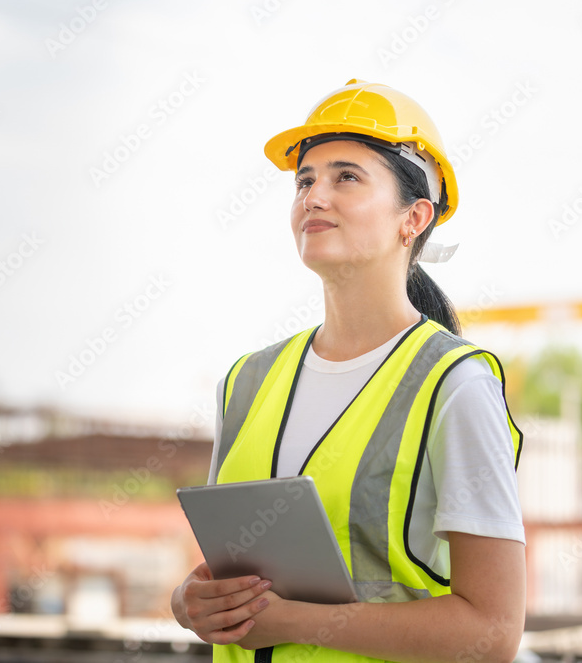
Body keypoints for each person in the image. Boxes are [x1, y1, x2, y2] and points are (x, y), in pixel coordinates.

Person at [170, 80, 526, 663]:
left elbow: (493, 633)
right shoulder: (246, 383)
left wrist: (297, 622)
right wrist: (189, 602)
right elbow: (227, 575)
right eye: (304, 181)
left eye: (347, 177)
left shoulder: (454, 386)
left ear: (413, 217)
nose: (314, 196)